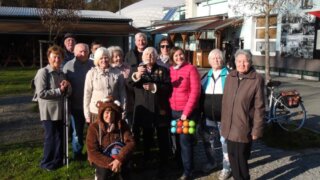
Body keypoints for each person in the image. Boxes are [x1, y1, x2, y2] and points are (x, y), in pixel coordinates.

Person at [221, 49, 265, 180]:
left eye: (245, 61)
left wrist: (257, 129)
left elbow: (260, 107)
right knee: (232, 157)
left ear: (250, 62)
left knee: (241, 158)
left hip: (244, 126)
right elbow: (226, 101)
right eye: (239, 61)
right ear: (235, 62)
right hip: (229, 125)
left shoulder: (256, 79)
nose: (242, 64)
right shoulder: (231, 76)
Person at [127, 47, 171, 174]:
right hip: (144, 109)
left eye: (152, 54)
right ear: (142, 57)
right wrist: (137, 75)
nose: (149, 56)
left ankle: (164, 162)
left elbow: (168, 87)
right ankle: (146, 160)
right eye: (147, 54)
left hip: (160, 109)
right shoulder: (136, 69)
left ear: (156, 57)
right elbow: (129, 86)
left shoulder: (163, 70)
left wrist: (155, 86)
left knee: (162, 137)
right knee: (146, 137)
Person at [34, 45, 72, 171]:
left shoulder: (61, 73)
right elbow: (41, 93)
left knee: (60, 136)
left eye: (59, 57)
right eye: (54, 57)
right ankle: (46, 163)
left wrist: (67, 86)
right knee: (50, 137)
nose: (57, 59)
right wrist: (59, 90)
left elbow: (67, 92)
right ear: (49, 58)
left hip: (61, 110)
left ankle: (58, 160)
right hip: (49, 112)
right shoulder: (43, 72)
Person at [169, 47, 201, 180]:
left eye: (181, 55)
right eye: (176, 56)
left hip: (186, 112)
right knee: (175, 141)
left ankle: (188, 171)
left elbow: (195, 92)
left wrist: (186, 112)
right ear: (172, 57)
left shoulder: (191, 69)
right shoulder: (170, 70)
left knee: (185, 142)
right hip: (173, 111)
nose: (179, 57)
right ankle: (179, 167)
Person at [200, 49, 231, 179]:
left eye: (219, 58)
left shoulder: (229, 75)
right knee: (209, 141)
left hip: (224, 116)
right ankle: (212, 162)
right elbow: (199, 93)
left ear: (222, 59)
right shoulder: (206, 75)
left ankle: (227, 167)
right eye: (213, 58)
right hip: (208, 116)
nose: (216, 60)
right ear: (209, 61)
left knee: (225, 141)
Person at [86, 96, 135, 180]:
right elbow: (92, 151)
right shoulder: (94, 127)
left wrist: (119, 159)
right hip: (101, 158)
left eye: (112, 113)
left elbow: (131, 142)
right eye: (107, 112)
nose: (110, 115)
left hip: (119, 156)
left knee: (126, 172)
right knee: (103, 174)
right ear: (102, 113)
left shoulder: (122, 124)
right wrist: (111, 163)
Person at [63, 43, 94, 160]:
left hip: (91, 106)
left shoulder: (93, 64)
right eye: (80, 51)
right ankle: (77, 154)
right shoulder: (68, 66)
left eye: (85, 51)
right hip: (76, 105)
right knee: (77, 132)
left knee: (93, 131)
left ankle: (93, 152)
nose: (83, 53)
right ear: (74, 53)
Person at [84, 47, 126, 123]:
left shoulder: (118, 73)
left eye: (106, 58)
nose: (104, 60)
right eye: (101, 58)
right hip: (96, 111)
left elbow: (122, 92)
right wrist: (87, 114)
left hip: (113, 111)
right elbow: (87, 94)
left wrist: (123, 109)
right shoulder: (91, 73)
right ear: (97, 60)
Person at [108, 46, 133, 127]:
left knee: (127, 124)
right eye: (116, 56)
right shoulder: (109, 69)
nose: (119, 58)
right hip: (115, 100)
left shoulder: (128, 67)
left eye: (120, 56)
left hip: (128, 99)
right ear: (111, 57)